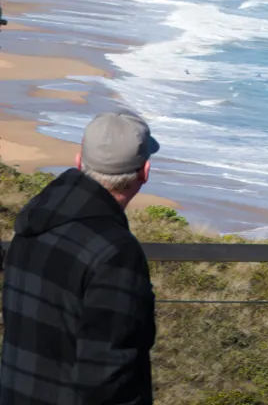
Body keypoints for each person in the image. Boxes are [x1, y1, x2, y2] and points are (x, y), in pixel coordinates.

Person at [0, 109, 160, 405]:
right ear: (144, 172)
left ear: (79, 162)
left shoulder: (30, 227)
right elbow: (111, 376)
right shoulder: (116, 251)